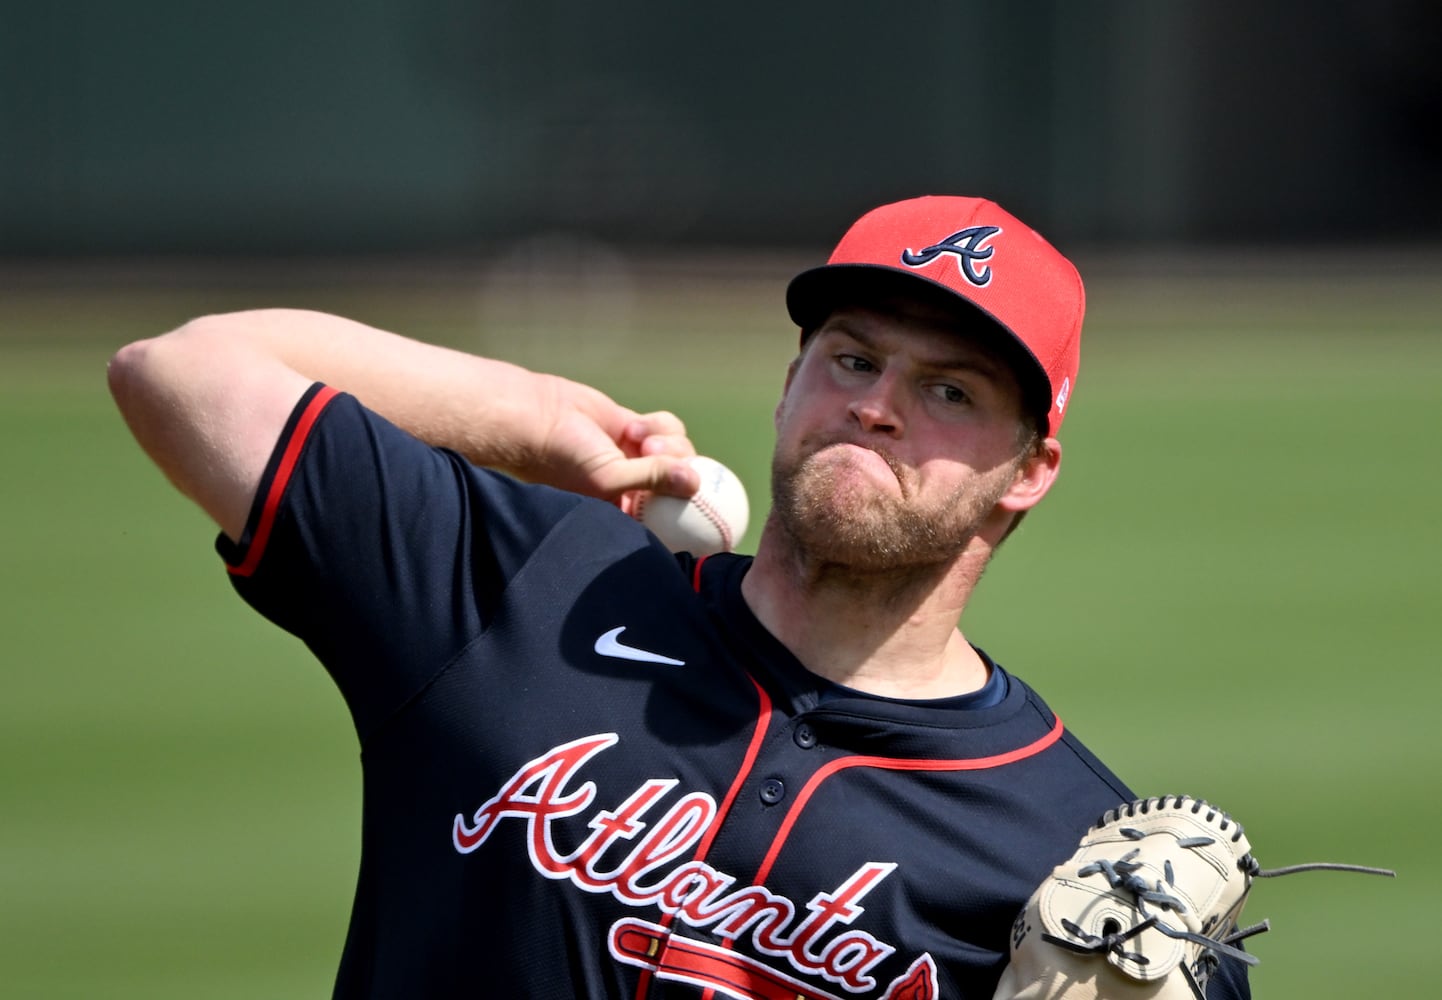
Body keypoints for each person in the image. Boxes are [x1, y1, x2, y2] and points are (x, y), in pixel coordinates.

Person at [108, 196, 1249, 998]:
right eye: (851, 360)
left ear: (1030, 471)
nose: (876, 406)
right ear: (789, 382)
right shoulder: (530, 587)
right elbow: (183, 373)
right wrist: (527, 416)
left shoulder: (1067, 859)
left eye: (947, 388)